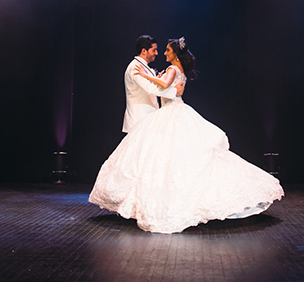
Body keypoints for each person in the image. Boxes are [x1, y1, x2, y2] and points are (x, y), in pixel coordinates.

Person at [89, 37, 284, 234]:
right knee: (152, 160)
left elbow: (160, 85)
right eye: (156, 50)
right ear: (144, 50)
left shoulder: (169, 69)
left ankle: (159, 200)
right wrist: (173, 88)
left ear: (175, 53)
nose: (160, 53)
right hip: (152, 115)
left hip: (168, 114)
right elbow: (157, 88)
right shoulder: (137, 67)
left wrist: (163, 83)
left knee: (165, 159)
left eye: (165, 50)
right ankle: (141, 202)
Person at [122, 35, 182, 133]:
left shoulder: (143, 67)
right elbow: (149, 88)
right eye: (154, 50)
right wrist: (174, 91)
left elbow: (148, 85)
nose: (157, 53)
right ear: (144, 51)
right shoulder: (135, 67)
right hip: (139, 118)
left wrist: (156, 80)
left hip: (148, 117)